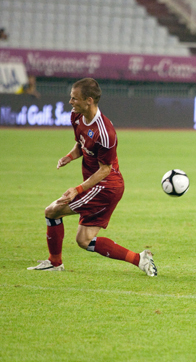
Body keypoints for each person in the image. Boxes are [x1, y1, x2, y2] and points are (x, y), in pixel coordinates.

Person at [28, 78, 157, 276]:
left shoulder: (106, 132)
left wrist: (76, 190)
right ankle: (140, 259)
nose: (70, 101)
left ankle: (55, 263)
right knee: (84, 240)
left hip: (105, 187)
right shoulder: (76, 117)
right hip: (101, 186)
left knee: (52, 211)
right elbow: (81, 144)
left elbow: (105, 169)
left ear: (88, 100)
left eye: (74, 98)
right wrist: (69, 156)